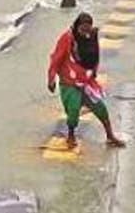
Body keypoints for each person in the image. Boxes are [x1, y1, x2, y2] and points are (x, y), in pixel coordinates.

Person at [47, 12, 126, 150]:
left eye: (87, 30)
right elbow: (56, 59)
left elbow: (95, 55)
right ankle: (71, 135)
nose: (85, 33)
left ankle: (110, 135)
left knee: (100, 108)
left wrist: (94, 71)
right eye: (82, 30)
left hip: (86, 82)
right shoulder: (67, 38)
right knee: (73, 110)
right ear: (77, 26)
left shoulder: (92, 37)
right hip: (69, 83)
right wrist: (51, 78)